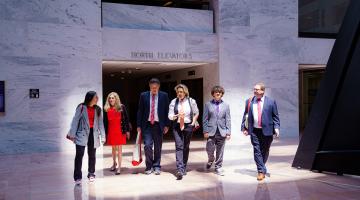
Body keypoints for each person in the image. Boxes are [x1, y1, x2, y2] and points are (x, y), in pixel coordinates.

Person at [241, 83, 280, 181]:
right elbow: (245, 115)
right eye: (254, 89)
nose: (255, 91)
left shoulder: (271, 102)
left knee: (265, 150)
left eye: (257, 89)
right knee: (257, 150)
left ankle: (262, 167)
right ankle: (261, 171)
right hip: (254, 130)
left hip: (268, 130)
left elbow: (275, 116)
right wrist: (244, 128)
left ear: (263, 91)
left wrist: (277, 128)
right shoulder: (249, 101)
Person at [67, 91, 106, 185]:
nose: (97, 99)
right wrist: (72, 134)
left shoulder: (98, 109)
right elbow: (75, 121)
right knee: (79, 155)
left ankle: (91, 173)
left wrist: (103, 137)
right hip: (82, 134)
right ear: (90, 98)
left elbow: (101, 124)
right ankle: (77, 177)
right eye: (96, 97)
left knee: (92, 155)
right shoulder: (81, 107)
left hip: (94, 134)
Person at [137, 78, 170, 175]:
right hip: (147, 125)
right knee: (147, 145)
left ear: (159, 86)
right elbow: (140, 110)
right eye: (152, 88)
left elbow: (167, 110)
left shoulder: (164, 96)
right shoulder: (143, 95)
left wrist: (167, 125)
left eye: (156, 88)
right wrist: (138, 125)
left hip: (158, 124)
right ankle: (149, 166)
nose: (154, 89)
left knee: (158, 147)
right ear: (149, 87)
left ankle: (157, 166)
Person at [168, 84, 199, 180]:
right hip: (177, 126)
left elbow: (196, 112)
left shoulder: (191, 101)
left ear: (185, 92)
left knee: (186, 146)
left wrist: (193, 123)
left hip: (188, 125)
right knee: (179, 146)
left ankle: (184, 166)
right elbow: (170, 114)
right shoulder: (174, 101)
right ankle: (180, 169)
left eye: (181, 92)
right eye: (177, 92)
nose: (179, 94)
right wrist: (174, 116)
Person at [203, 85, 231, 176]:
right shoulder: (208, 105)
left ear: (222, 94)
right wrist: (205, 131)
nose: (218, 93)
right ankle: (211, 159)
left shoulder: (226, 105)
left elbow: (228, 119)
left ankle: (218, 167)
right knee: (209, 148)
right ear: (213, 94)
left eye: (220, 92)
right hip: (211, 131)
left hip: (222, 131)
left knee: (220, 150)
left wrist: (228, 132)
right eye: (216, 92)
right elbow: (205, 119)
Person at [103, 92, 130, 175]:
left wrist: (127, 131)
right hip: (111, 131)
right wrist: (104, 133)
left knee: (119, 149)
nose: (111, 99)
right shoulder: (107, 109)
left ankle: (119, 168)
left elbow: (126, 119)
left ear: (116, 99)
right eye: (110, 98)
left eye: (113, 98)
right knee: (113, 149)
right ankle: (114, 163)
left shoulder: (121, 107)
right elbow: (105, 122)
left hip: (119, 131)